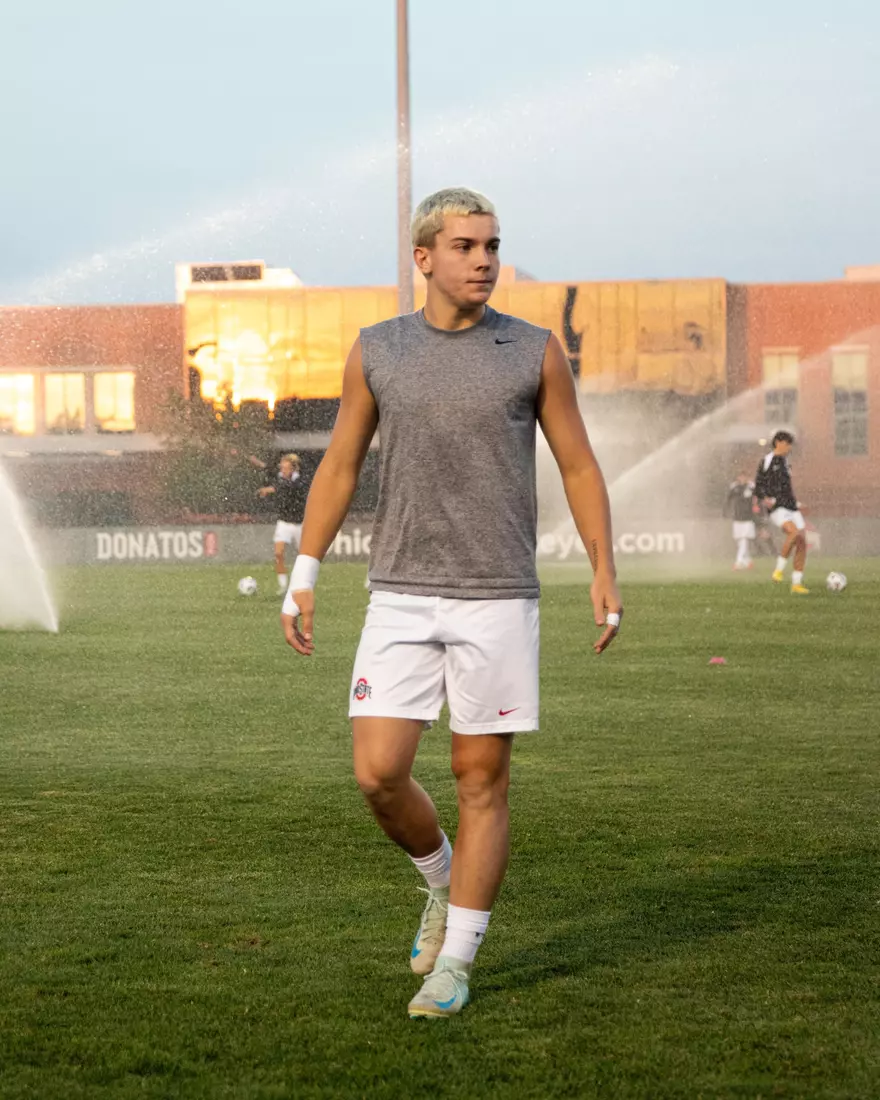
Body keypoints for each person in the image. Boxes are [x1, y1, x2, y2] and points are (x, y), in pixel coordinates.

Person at [280, 187, 622, 1019]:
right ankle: (439, 882)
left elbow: (578, 465)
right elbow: (340, 467)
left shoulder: (533, 351)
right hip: (397, 593)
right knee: (378, 773)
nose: (485, 260)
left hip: (497, 596)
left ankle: (457, 963)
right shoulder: (378, 350)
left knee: (482, 779)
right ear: (424, 258)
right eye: (466, 246)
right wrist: (304, 571)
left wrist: (603, 568)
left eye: (493, 245)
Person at [754, 431, 809, 594]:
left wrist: (797, 503)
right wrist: (765, 498)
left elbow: (786, 488)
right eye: (787, 443)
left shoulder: (786, 462)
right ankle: (778, 570)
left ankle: (796, 584)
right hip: (777, 508)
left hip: (791, 506)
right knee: (793, 533)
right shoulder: (766, 461)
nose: (789, 447)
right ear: (778, 442)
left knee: (802, 543)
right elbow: (758, 486)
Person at [258, 453, 307, 595]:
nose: (283, 470)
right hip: (284, 522)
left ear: (293, 468)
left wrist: (270, 489)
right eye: (282, 467)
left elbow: (290, 488)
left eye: (285, 468)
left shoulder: (300, 481)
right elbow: (271, 472)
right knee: (278, 554)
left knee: (304, 556)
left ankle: (302, 584)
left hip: (299, 524)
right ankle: (283, 586)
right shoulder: (280, 478)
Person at [725, 472, 757, 570]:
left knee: (744, 540)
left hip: (748, 518)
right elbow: (728, 499)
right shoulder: (735, 488)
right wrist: (726, 511)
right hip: (737, 517)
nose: (742, 479)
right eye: (740, 477)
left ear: (747, 478)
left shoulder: (751, 487)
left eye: (744, 477)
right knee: (740, 541)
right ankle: (748, 561)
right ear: (738, 478)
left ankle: (738, 562)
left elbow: (758, 496)